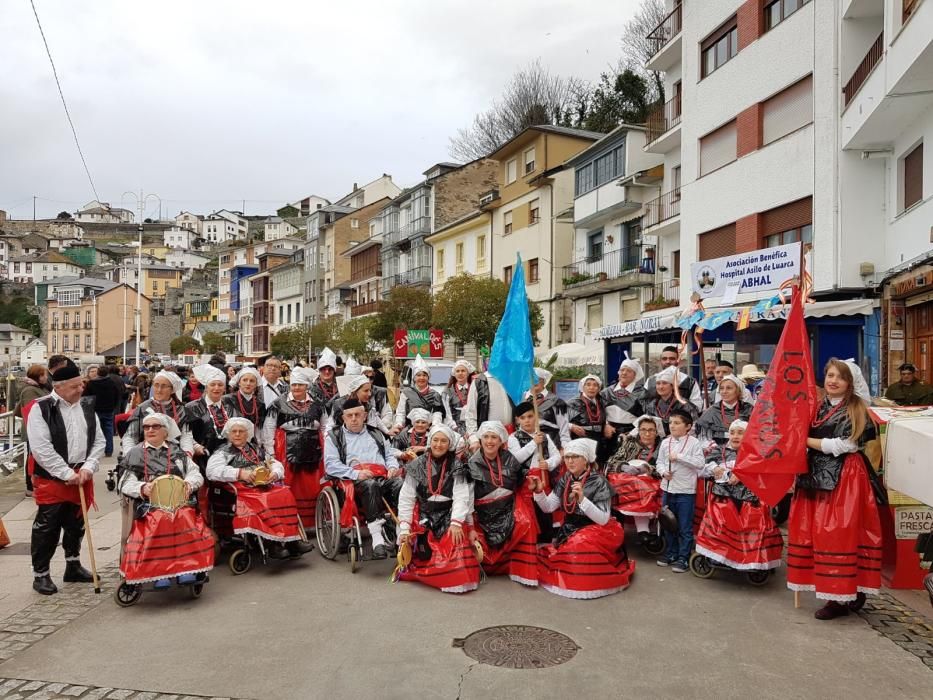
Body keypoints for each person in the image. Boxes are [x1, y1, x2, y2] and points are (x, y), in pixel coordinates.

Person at [787, 359, 885, 620]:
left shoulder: (856, 409)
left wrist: (803, 440)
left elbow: (845, 445)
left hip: (845, 478)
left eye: (839, 377)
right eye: (830, 375)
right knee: (814, 533)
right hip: (814, 476)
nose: (833, 381)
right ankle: (836, 589)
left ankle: (841, 596)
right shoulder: (817, 407)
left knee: (839, 533)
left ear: (850, 383)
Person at [26, 360, 104, 595]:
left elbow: (98, 440)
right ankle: (41, 575)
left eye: (81, 385)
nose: (81, 390)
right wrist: (66, 473)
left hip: (82, 474)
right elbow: (41, 449)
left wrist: (89, 466)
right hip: (53, 478)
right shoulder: (40, 408)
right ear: (58, 387)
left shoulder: (87, 406)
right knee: (47, 526)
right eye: (75, 387)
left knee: (75, 524)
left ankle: (73, 565)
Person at [118, 413, 214, 588]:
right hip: (149, 505)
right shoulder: (135, 453)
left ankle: (187, 569)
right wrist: (141, 488)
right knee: (160, 519)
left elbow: (195, 474)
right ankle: (158, 572)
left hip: (180, 502)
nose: (150, 430)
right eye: (146, 427)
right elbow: (124, 483)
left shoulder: (176, 452)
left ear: (165, 431)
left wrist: (189, 484)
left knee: (184, 516)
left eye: (155, 426)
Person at [532, 438, 634, 599]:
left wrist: (582, 500)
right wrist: (539, 492)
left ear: (585, 459)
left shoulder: (599, 481)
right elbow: (549, 507)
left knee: (579, 547)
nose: (570, 461)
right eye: (567, 457)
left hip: (597, 528)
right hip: (570, 527)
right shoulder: (566, 478)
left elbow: (602, 519)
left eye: (575, 457)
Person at [206, 417, 313, 559]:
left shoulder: (256, 449)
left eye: (241, 431)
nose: (237, 434)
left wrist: (275, 473)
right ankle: (271, 544)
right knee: (265, 499)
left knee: (285, 493)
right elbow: (211, 471)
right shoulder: (223, 452)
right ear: (229, 434)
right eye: (234, 431)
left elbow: (273, 462)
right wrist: (239, 473)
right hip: (239, 488)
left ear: (247, 433)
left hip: (262, 484)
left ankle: (291, 540)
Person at [395, 424, 479, 593]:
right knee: (415, 542)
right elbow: (407, 497)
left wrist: (456, 523)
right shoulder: (417, 464)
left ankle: (453, 579)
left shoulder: (457, 465)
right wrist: (404, 528)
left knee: (455, 538)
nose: (439, 445)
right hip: (423, 514)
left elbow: (462, 497)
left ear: (450, 444)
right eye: (435, 440)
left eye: (443, 441)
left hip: (448, 514)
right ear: (430, 441)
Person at [695, 420, 783, 572]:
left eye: (740, 433)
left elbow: (765, 472)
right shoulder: (719, 450)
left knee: (752, 527)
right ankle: (721, 556)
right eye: (733, 432)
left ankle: (751, 560)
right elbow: (704, 467)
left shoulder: (756, 454)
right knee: (721, 524)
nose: (735, 436)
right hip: (722, 498)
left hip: (750, 499)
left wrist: (742, 474)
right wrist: (714, 468)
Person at [323, 398, 403, 559]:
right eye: (350, 415)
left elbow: (389, 455)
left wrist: (393, 467)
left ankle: (400, 534)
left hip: (381, 475)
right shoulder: (334, 436)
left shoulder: (376, 433)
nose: (354, 419)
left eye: (357, 415)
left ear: (364, 416)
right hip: (354, 479)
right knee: (370, 485)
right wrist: (356, 473)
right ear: (343, 418)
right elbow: (331, 465)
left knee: (400, 484)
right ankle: (377, 539)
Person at [468, 421, 538, 586]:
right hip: (483, 513)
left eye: (494, 437)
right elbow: (468, 497)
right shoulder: (471, 464)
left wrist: (532, 483)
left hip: (508, 506)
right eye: (486, 437)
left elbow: (521, 481)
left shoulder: (510, 459)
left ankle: (523, 572)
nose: (490, 441)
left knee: (526, 522)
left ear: (501, 441)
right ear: (480, 439)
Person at [262, 367, 324, 525]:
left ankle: (311, 521)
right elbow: (268, 430)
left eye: (300, 385)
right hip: (286, 450)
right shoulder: (277, 404)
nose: (296, 388)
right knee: (289, 484)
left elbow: (325, 427)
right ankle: (289, 520)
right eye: (294, 384)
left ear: (307, 386)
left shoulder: (317, 404)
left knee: (311, 486)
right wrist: (270, 452)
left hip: (313, 450)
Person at [655, 408, 706, 573]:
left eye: (677, 423)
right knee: (668, 523)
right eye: (670, 423)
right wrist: (663, 472)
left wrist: (680, 457)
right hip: (668, 489)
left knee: (684, 526)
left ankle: (683, 557)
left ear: (688, 426)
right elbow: (659, 463)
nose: (672, 426)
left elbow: (700, 464)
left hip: (685, 491)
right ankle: (671, 553)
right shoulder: (665, 442)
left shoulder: (694, 443)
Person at [605, 415, 664, 545]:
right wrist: (623, 466)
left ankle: (643, 530)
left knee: (643, 487)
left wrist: (648, 469)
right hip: (626, 481)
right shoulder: (630, 443)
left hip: (651, 481)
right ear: (639, 430)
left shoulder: (662, 446)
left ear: (656, 431)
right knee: (634, 486)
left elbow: (665, 467)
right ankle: (639, 530)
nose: (647, 433)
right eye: (643, 430)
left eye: (651, 430)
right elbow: (612, 461)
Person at [509, 401, 562, 542]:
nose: (527, 420)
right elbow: (516, 459)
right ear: (517, 420)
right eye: (523, 418)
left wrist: (548, 463)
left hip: (544, 480)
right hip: (525, 483)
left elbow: (557, 456)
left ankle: (546, 544)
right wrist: (533, 443)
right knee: (530, 515)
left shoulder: (544, 436)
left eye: (530, 416)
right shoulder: (513, 438)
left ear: (536, 417)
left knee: (544, 514)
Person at [122, 370, 193, 456]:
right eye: (156, 385)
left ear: (172, 390)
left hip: (174, 455)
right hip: (145, 455)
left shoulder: (181, 410)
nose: (159, 390)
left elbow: (186, 436)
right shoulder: (142, 408)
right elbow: (130, 436)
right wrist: (130, 455)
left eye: (164, 386)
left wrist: (187, 455)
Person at [15, 364, 50, 497]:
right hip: (33, 429)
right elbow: (31, 410)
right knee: (32, 458)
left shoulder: (39, 388)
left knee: (35, 457)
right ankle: (30, 487)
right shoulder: (30, 390)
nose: (46, 377)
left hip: (38, 428)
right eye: (44, 375)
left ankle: (35, 485)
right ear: (38, 376)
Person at [694, 374, 754, 450]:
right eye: (721, 388)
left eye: (729, 388)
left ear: (738, 390)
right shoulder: (711, 412)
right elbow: (703, 438)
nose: (724, 391)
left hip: (745, 451)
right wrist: (715, 448)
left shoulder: (749, 409)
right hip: (717, 454)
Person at [600, 357, 645, 456]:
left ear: (635, 375)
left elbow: (646, 416)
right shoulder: (607, 392)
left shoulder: (642, 394)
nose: (624, 373)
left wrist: (632, 433)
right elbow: (598, 412)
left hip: (632, 432)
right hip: (609, 432)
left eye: (629, 371)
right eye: (622, 370)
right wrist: (605, 425)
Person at [392, 354, 445, 433]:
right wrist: (399, 424)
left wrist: (434, 426)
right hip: (409, 430)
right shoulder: (406, 393)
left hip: (429, 430)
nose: (421, 378)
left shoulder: (435, 394)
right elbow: (401, 412)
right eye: (418, 375)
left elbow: (437, 413)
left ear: (428, 377)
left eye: (424, 375)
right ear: (414, 378)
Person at [326, 373, 392, 436]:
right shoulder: (339, 405)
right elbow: (330, 426)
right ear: (355, 391)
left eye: (370, 390)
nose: (369, 394)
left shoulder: (368, 406)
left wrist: (387, 432)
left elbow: (376, 420)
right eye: (366, 391)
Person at [463, 370, 514, 447]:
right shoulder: (480, 382)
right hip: (488, 439)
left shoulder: (512, 381)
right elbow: (471, 413)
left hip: (510, 437)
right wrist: (474, 438)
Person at [643, 346, 704, 411]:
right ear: (660, 361)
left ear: (678, 360)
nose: (668, 361)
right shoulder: (651, 380)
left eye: (672, 359)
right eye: (664, 359)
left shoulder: (690, 382)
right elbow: (643, 404)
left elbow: (698, 407)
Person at [524, 368, 570, 450]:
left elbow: (564, 430)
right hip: (525, 445)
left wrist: (564, 449)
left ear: (544, 381)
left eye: (538, 379)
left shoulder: (557, 402)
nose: (534, 382)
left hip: (551, 445)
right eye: (531, 378)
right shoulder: (521, 400)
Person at [568, 374, 610, 461]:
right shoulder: (573, 403)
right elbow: (560, 421)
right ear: (582, 387)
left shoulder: (601, 402)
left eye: (595, 385)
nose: (592, 387)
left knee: (599, 464)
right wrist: (571, 427)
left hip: (599, 439)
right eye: (588, 384)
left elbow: (606, 416)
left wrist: (606, 424)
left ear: (599, 389)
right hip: (581, 439)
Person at [83, 363, 122, 458]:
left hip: (95, 409)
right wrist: (114, 405)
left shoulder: (92, 383)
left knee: (95, 430)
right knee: (108, 429)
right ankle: (109, 450)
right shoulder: (111, 382)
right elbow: (117, 394)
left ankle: (94, 450)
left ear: (98, 373)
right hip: (108, 409)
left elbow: (86, 397)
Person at [645, 366, 698, 434]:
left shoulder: (684, 404)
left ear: (673, 386)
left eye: (664, 383)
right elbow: (647, 423)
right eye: (658, 384)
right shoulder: (652, 405)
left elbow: (694, 424)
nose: (661, 387)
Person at [223, 366, 266, 433]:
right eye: (245, 380)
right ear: (239, 382)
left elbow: (260, 428)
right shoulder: (227, 400)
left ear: (256, 384)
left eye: (252, 381)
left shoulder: (260, 404)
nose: (248, 383)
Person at [443, 359, 476, 435]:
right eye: (457, 371)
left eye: (463, 371)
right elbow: (447, 413)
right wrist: (455, 428)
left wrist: (472, 431)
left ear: (468, 373)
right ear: (454, 374)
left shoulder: (475, 389)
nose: (460, 373)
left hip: (473, 430)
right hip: (454, 431)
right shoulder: (447, 391)